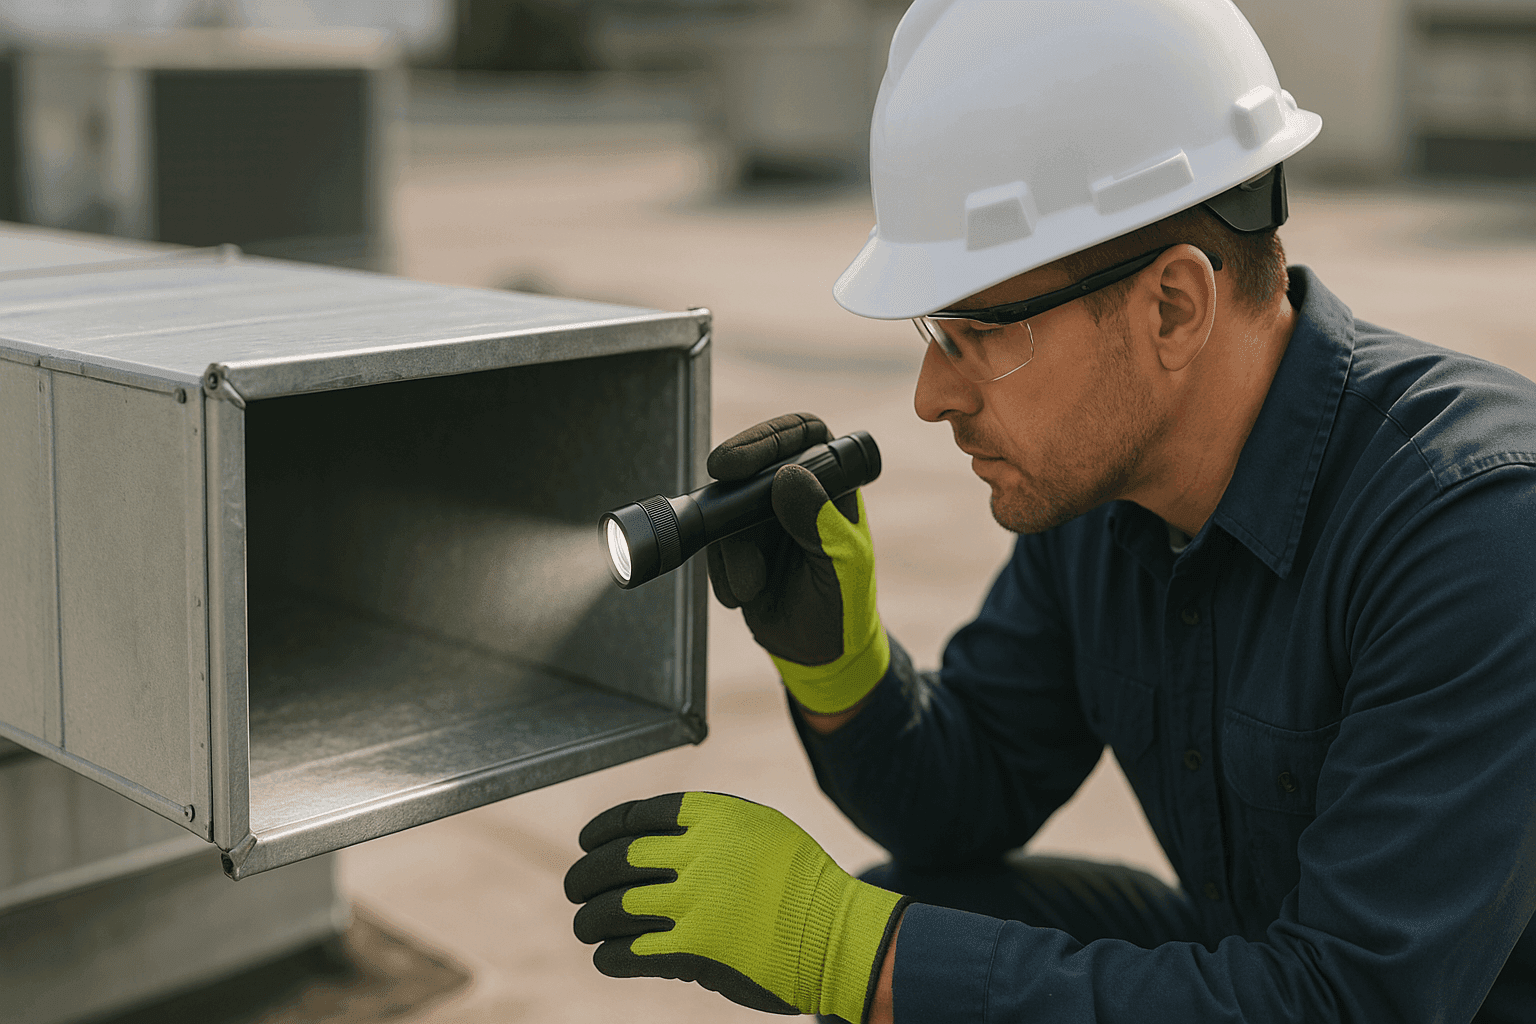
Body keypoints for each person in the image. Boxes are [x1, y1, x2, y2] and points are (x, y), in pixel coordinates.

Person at [563, 1, 1536, 1020]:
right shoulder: (1111, 493)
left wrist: (842, 950)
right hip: (1281, 964)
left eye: (978, 330)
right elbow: (966, 796)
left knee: (894, 957)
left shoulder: (1473, 528)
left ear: (1172, 306)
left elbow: (1351, 1000)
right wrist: (841, 664)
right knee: (921, 908)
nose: (932, 396)